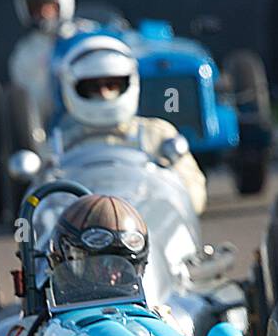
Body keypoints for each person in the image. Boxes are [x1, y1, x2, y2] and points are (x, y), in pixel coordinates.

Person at [53, 36, 208, 214]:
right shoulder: (60, 143)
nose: (104, 94)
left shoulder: (157, 133)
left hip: (150, 229)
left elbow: (193, 195)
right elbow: (45, 206)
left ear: (129, 83)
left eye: (112, 85)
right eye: (93, 87)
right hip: (85, 232)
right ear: (73, 87)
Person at [8, 0, 91, 122]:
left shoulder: (85, 36)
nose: (44, 14)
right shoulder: (25, 53)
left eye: (49, 6)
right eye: (36, 8)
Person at [44, 193, 150, 305]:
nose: (113, 276)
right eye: (102, 264)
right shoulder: (44, 315)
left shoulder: (154, 316)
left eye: (121, 265)